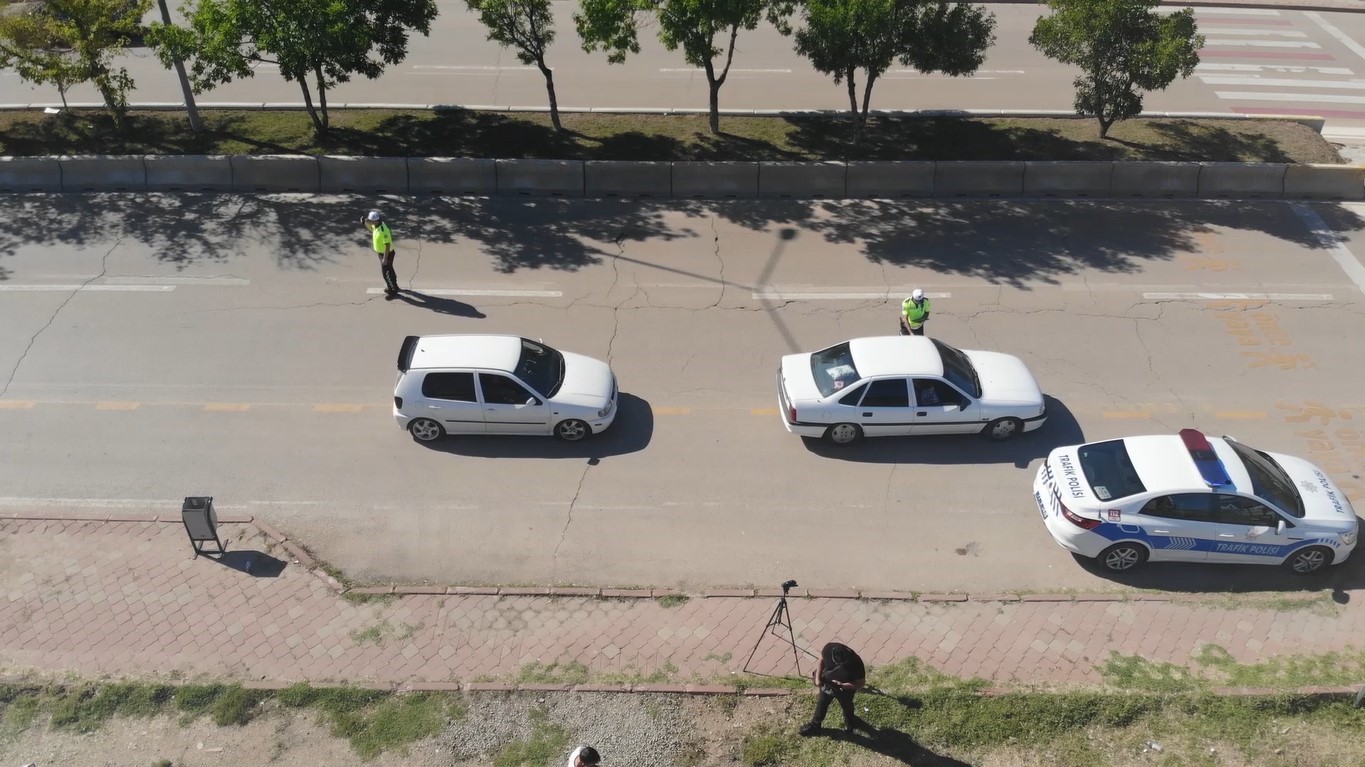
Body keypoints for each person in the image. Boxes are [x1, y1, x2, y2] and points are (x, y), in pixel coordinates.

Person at [799, 641, 872, 736]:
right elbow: (821, 660)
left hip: (844, 689)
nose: (838, 665)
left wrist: (842, 685)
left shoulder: (856, 663)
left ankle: (850, 723)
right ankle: (815, 726)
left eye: (841, 663)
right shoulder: (828, 648)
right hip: (827, 682)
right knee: (822, 703)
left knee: (847, 706)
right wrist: (818, 678)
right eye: (836, 662)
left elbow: (860, 684)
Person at [364, 210, 400, 298]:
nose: (370, 223)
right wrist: (364, 223)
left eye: (371, 221)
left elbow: (387, 245)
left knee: (386, 273)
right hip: (382, 253)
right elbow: (370, 229)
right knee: (389, 270)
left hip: (387, 254)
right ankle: (394, 286)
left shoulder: (383, 231)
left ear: (376, 221)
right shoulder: (376, 225)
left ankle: (392, 291)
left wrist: (384, 258)